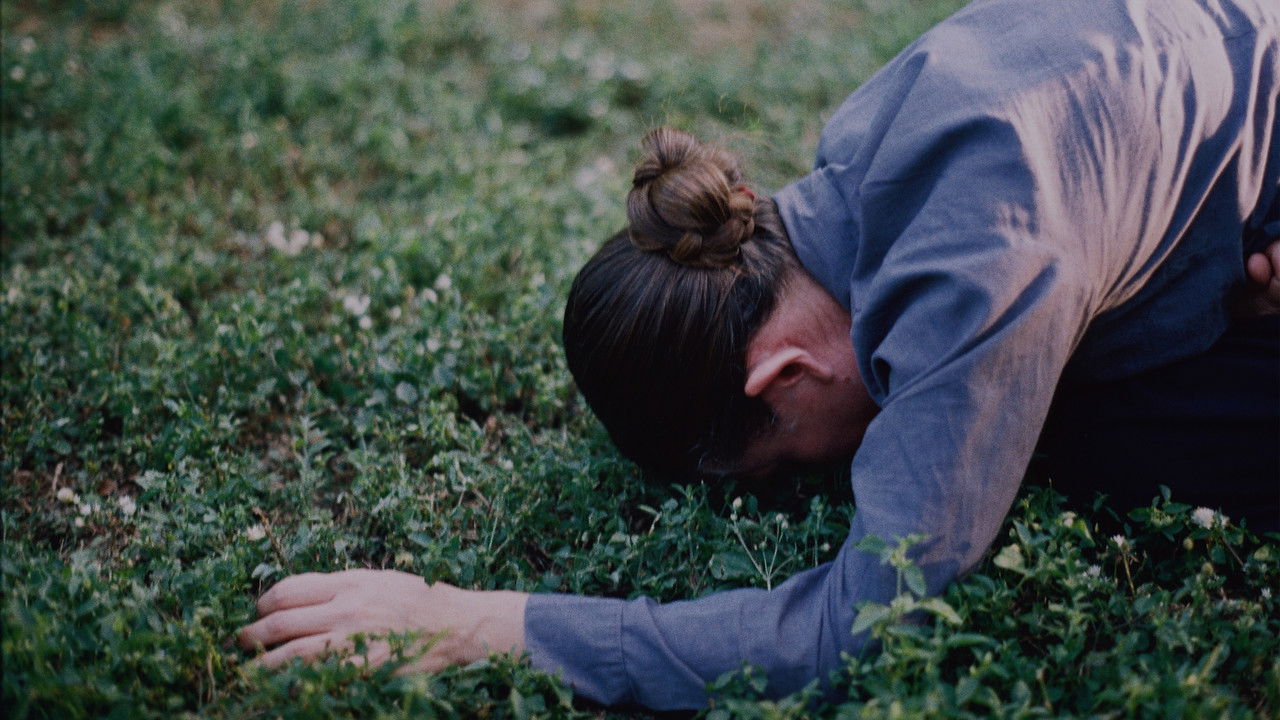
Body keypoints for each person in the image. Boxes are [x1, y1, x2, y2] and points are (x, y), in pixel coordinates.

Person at [238, 0, 1280, 710]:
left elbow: (858, 631)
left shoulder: (968, 273)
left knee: (1069, 442)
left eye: (781, 467)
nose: (815, 480)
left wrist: (484, 624)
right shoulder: (859, 147)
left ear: (780, 378)